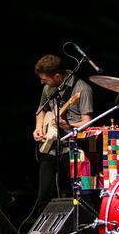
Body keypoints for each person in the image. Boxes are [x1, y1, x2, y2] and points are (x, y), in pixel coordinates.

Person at [32, 54, 94, 214]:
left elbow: (88, 122)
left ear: (57, 76)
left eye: (45, 79)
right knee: (43, 195)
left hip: (74, 147)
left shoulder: (82, 89)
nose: (42, 82)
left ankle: (88, 232)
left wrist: (68, 125)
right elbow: (41, 110)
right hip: (51, 145)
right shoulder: (49, 88)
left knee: (81, 195)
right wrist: (38, 128)